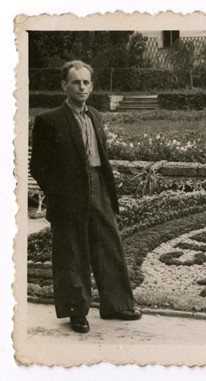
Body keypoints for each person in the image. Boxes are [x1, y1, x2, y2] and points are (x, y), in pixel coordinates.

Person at [30, 60, 142, 333]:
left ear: (91, 86)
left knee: (109, 244)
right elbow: (38, 166)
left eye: (86, 82)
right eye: (76, 82)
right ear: (64, 86)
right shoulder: (49, 120)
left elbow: (101, 159)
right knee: (72, 251)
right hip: (68, 193)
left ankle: (117, 305)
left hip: (98, 186)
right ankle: (76, 312)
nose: (81, 87)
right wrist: (57, 192)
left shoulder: (96, 116)